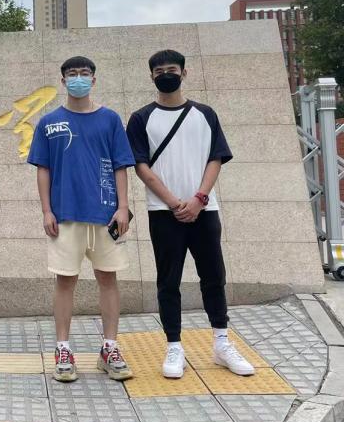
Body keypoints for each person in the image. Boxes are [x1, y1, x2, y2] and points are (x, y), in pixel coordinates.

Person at [126, 49, 254, 379]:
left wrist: (199, 199)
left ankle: (222, 343)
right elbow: (140, 166)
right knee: (168, 280)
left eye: (172, 69)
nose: (165, 75)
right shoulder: (141, 118)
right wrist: (173, 202)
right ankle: (174, 346)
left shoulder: (205, 114)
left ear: (184, 73)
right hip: (162, 212)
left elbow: (216, 158)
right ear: (151, 76)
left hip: (205, 210)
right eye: (159, 71)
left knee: (214, 276)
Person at [28, 56, 135, 383]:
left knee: (108, 278)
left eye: (84, 73)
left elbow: (121, 165)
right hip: (65, 216)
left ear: (94, 79)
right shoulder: (49, 123)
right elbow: (43, 169)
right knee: (65, 281)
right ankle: (62, 349)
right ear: (63, 81)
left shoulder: (110, 119)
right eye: (72, 74)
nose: (78, 78)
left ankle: (110, 348)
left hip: (105, 215)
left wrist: (123, 207)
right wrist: (47, 210)